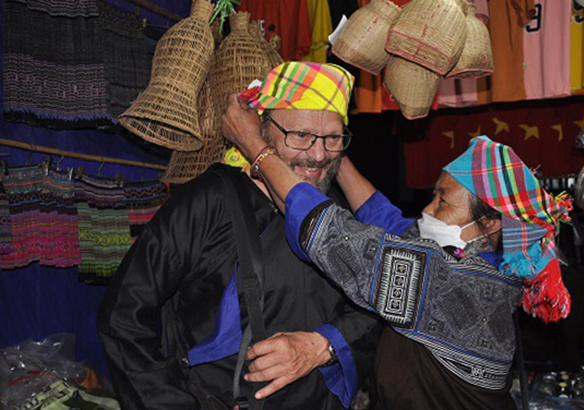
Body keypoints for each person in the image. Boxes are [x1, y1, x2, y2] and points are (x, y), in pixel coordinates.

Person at [221, 95, 574, 409]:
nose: (427, 211)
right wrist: (328, 151)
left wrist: (255, 145)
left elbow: (330, 233)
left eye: (443, 201)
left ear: (492, 224)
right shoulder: (481, 264)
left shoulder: (450, 284)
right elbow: (387, 219)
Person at [96, 62, 383, 410]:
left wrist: (323, 345)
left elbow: (378, 304)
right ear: (263, 129)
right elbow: (123, 315)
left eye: (333, 138)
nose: (319, 155)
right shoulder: (209, 201)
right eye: (301, 136)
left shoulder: (336, 213)